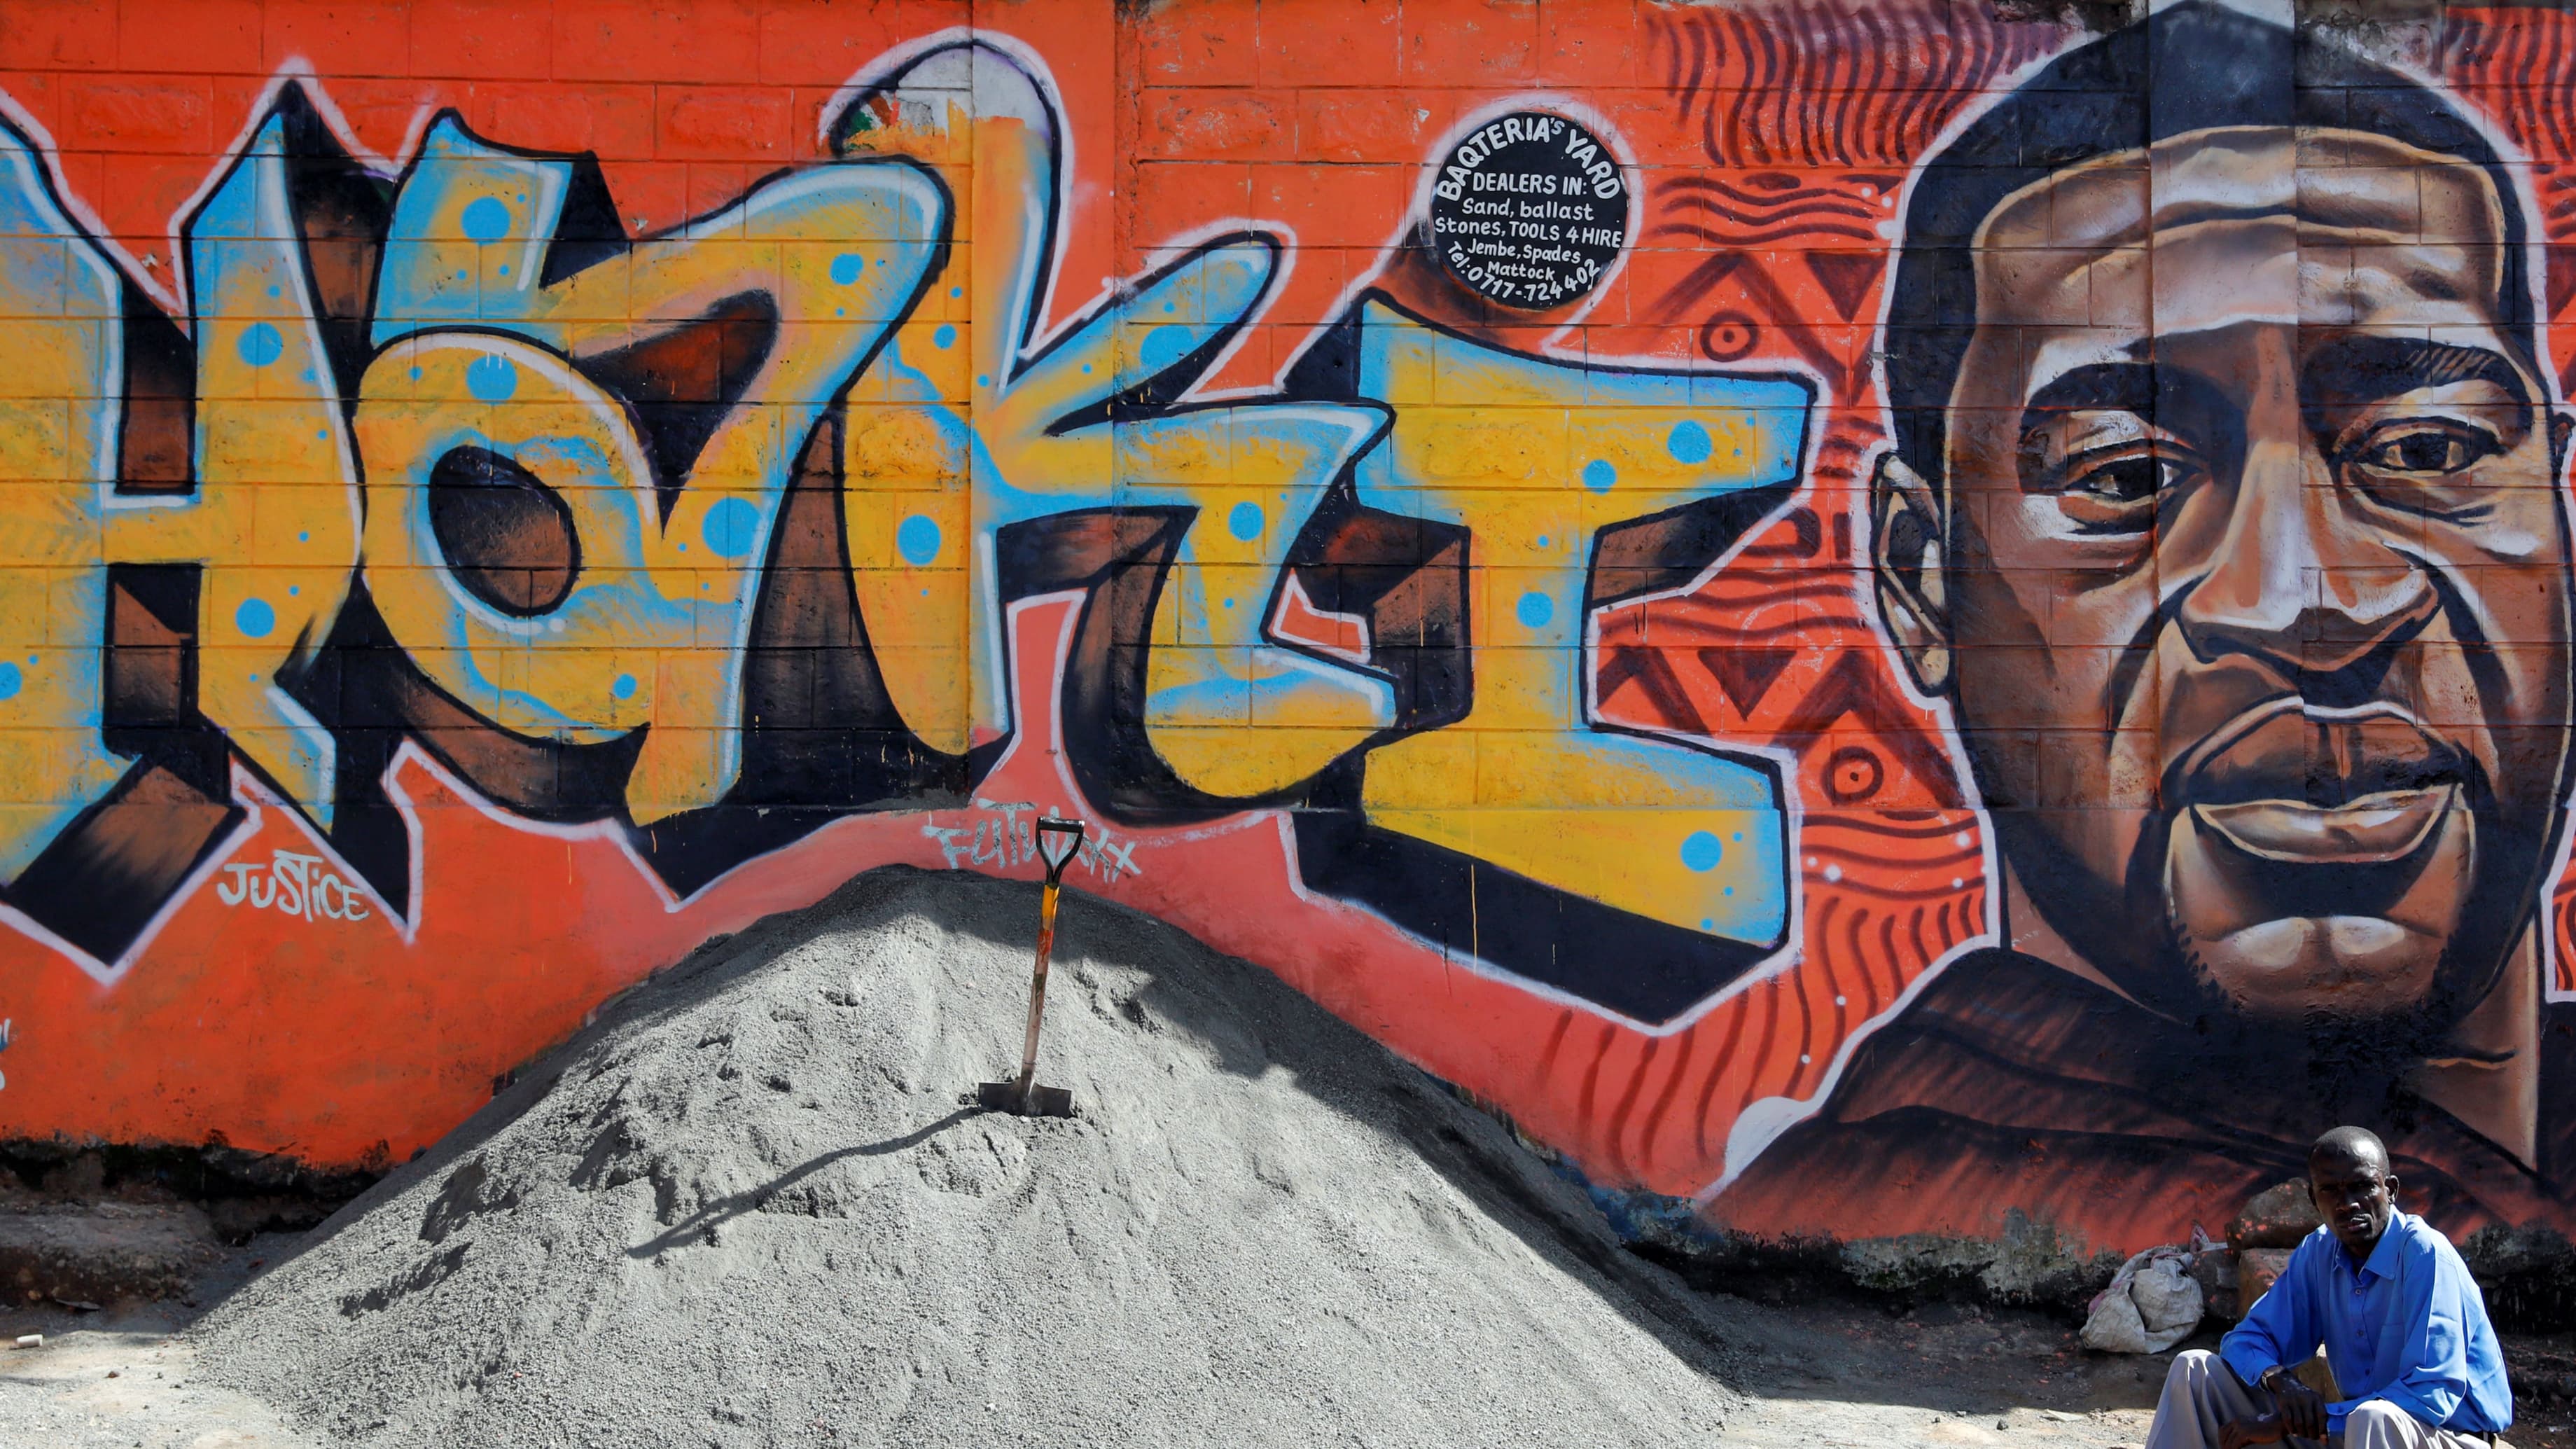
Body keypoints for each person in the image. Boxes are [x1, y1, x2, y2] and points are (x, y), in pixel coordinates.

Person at [1713, 0, 2576, 1249]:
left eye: (2426, 449)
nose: (2305, 600)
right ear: (1917, 580)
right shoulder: (1888, 1195)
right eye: (2121, 478)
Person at [2145, 1128, 2510, 1449]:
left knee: (2376, 1418)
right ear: (2313, 1199)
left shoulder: (2425, 1254)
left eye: (2362, 1186)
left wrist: (2297, 1421)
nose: (2348, 1204)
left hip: (2447, 1437)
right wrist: (2281, 1382)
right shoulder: (2320, 1250)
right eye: (2331, 1191)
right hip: (2354, 1432)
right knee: (2194, 1369)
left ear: (2391, 1190)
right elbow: (2245, 1341)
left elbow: (2429, 1395)